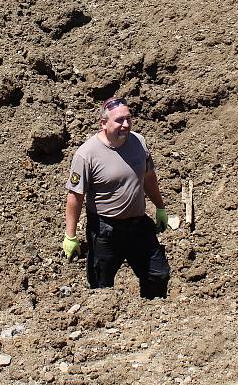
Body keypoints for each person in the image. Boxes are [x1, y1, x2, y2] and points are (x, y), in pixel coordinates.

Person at [62, 97, 171, 299]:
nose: (126, 125)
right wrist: (70, 235)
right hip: (105, 230)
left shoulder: (139, 142)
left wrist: (160, 207)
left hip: (138, 225)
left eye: (128, 119)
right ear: (103, 124)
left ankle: (153, 316)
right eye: (119, 120)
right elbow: (75, 196)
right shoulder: (87, 154)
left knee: (158, 274)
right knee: (101, 288)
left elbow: (148, 177)